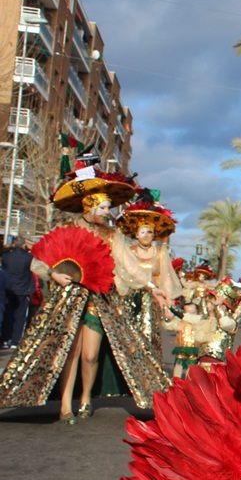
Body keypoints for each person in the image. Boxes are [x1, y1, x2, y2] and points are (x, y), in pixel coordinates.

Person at [0, 170, 169, 422]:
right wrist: (54, 274)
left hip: (99, 299)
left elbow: (128, 264)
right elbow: (40, 260)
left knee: (90, 354)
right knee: (68, 351)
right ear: (89, 207)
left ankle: (87, 396)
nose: (106, 212)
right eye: (102, 207)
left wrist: (151, 287)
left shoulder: (112, 236)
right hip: (67, 299)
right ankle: (66, 403)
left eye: (108, 208)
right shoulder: (66, 228)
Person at [117, 194, 183, 358]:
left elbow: (166, 279)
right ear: (136, 233)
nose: (147, 236)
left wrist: (167, 306)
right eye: (143, 232)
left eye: (150, 232)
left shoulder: (160, 253)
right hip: (129, 301)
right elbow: (121, 273)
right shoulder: (128, 252)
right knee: (128, 341)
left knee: (148, 339)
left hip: (152, 303)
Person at [2, 235, 35, 348]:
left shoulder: (6, 257)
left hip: (9, 289)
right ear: (23, 244)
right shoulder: (28, 258)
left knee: (8, 315)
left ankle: (6, 339)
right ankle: (15, 341)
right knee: (20, 317)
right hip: (23, 289)